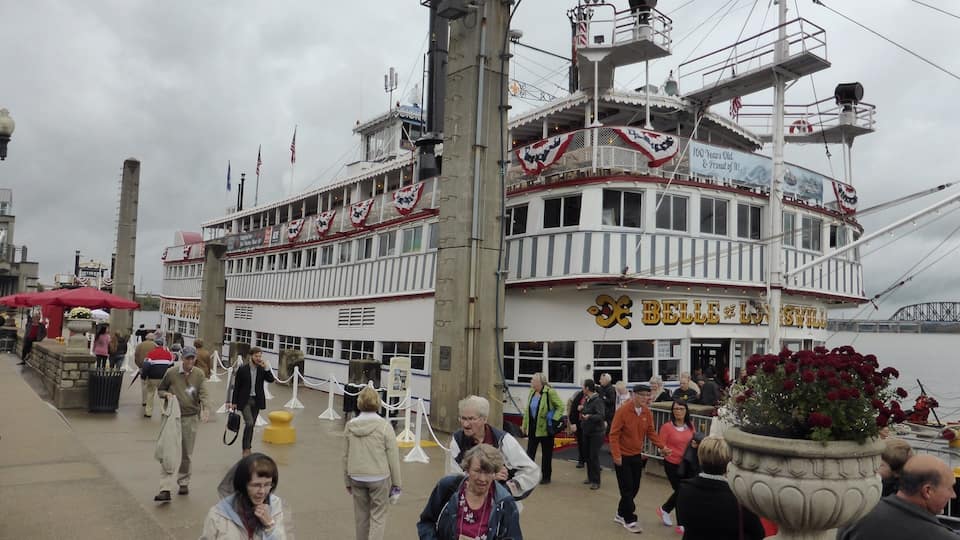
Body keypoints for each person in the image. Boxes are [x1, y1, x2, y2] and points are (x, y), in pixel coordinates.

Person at [837, 454, 958, 539]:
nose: (953, 495)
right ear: (927, 491)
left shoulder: (859, 514)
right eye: (950, 488)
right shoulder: (941, 536)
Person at [418, 444, 523, 540]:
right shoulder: (448, 487)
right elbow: (426, 522)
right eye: (477, 471)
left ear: (494, 473)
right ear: (467, 469)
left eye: (488, 472)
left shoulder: (505, 503)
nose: (482, 478)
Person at [446, 395, 540, 501]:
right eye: (463, 418)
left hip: (499, 504)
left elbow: (532, 472)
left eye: (471, 419)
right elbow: (454, 478)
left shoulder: (504, 440)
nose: (466, 424)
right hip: (468, 502)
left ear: (484, 419)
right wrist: (491, 476)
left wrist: (506, 489)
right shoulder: (457, 441)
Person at [675, 436, 765, 539]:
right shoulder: (739, 498)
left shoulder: (684, 489)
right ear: (728, 462)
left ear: (700, 458)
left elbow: (682, 521)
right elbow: (758, 534)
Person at [610, 384, 671, 534]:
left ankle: (620, 513)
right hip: (623, 456)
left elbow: (651, 432)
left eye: (647, 395)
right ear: (634, 395)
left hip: (636, 455)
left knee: (634, 488)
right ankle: (629, 519)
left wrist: (662, 447)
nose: (645, 398)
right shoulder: (623, 411)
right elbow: (613, 435)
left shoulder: (646, 412)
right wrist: (616, 455)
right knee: (627, 489)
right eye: (642, 395)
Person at [344, 386, 402, 540]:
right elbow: (393, 457)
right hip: (378, 477)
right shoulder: (384, 426)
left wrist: (346, 481)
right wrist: (397, 484)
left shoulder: (350, 426)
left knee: (361, 518)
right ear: (378, 403)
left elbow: (345, 455)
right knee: (378, 518)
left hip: (356, 476)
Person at [153, 345, 209, 501]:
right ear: (182, 358)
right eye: (187, 358)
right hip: (173, 417)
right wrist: (167, 395)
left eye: (192, 358)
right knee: (168, 452)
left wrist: (206, 408)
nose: (190, 361)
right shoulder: (171, 373)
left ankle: (183, 481)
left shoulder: (199, 374)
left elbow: (204, 393)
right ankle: (165, 488)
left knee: (187, 453)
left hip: (190, 417)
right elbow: (160, 389)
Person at [201, 453, 287, 539]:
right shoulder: (218, 515)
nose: (262, 491)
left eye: (267, 484)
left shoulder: (274, 505)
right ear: (243, 484)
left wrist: (270, 525)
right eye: (256, 485)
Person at [228, 347, 276, 457]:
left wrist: (267, 368)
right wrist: (233, 402)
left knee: (251, 425)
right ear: (251, 356)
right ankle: (246, 448)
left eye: (260, 356)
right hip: (245, 400)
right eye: (256, 356)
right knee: (249, 423)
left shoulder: (261, 369)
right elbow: (237, 387)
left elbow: (271, 380)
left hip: (257, 400)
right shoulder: (243, 369)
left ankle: (247, 445)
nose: (259, 358)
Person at [656, 400, 696, 528]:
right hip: (672, 464)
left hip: (687, 464)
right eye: (676, 409)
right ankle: (682, 524)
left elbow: (693, 442)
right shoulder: (666, 427)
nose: (678, 412)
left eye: (681, 409)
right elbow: (660, 445)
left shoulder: (690, 426)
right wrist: (663, 450)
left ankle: (665, 510)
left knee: (684, 492)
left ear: (686, 410)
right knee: (681, 492)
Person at [521, 372, 566, 485]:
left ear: (539, 382)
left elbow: (560, 406)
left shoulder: (550, 392)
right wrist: (524, 425)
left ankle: (546, 477)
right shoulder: (532, 392)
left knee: (546, 454)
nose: (531, 382)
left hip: (546, 429)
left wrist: (554, 419)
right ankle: (528, 476)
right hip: (533, 428)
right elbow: (527, 410)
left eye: (532, 380)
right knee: (530, 453)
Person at [579, 379, 605, 490]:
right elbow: (587, 411)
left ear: (587, 388)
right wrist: (582, 409)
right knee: (588, 455)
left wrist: (589, 417)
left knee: (593, 456)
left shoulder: (598, 400)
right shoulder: (587, 399)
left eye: (583, 387)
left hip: (596, 432)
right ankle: (590, 477)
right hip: (587, 431)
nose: (582, 389)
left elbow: (600, 415)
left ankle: (596, 481)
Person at [142, 336, 174, 418]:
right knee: (163, 394)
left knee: (150, 394)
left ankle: (148, 412)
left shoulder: (151, 354)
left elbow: (146, 366)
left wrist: (144, 376)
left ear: (155, 345)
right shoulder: (168, 354)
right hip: (164, 378)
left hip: (152, 377)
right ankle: (163, 411)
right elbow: (171, 366)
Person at [567, 384, 588, 470]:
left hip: (591, 424)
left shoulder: (595, 396)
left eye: (584, 387)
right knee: (580, 442)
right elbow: (573, 409)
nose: (582, 389)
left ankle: (592, 462)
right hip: (579, 423)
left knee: (590, 444)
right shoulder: (579, 395)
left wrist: (583, 408)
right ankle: (581, 460)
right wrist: (573, 423)